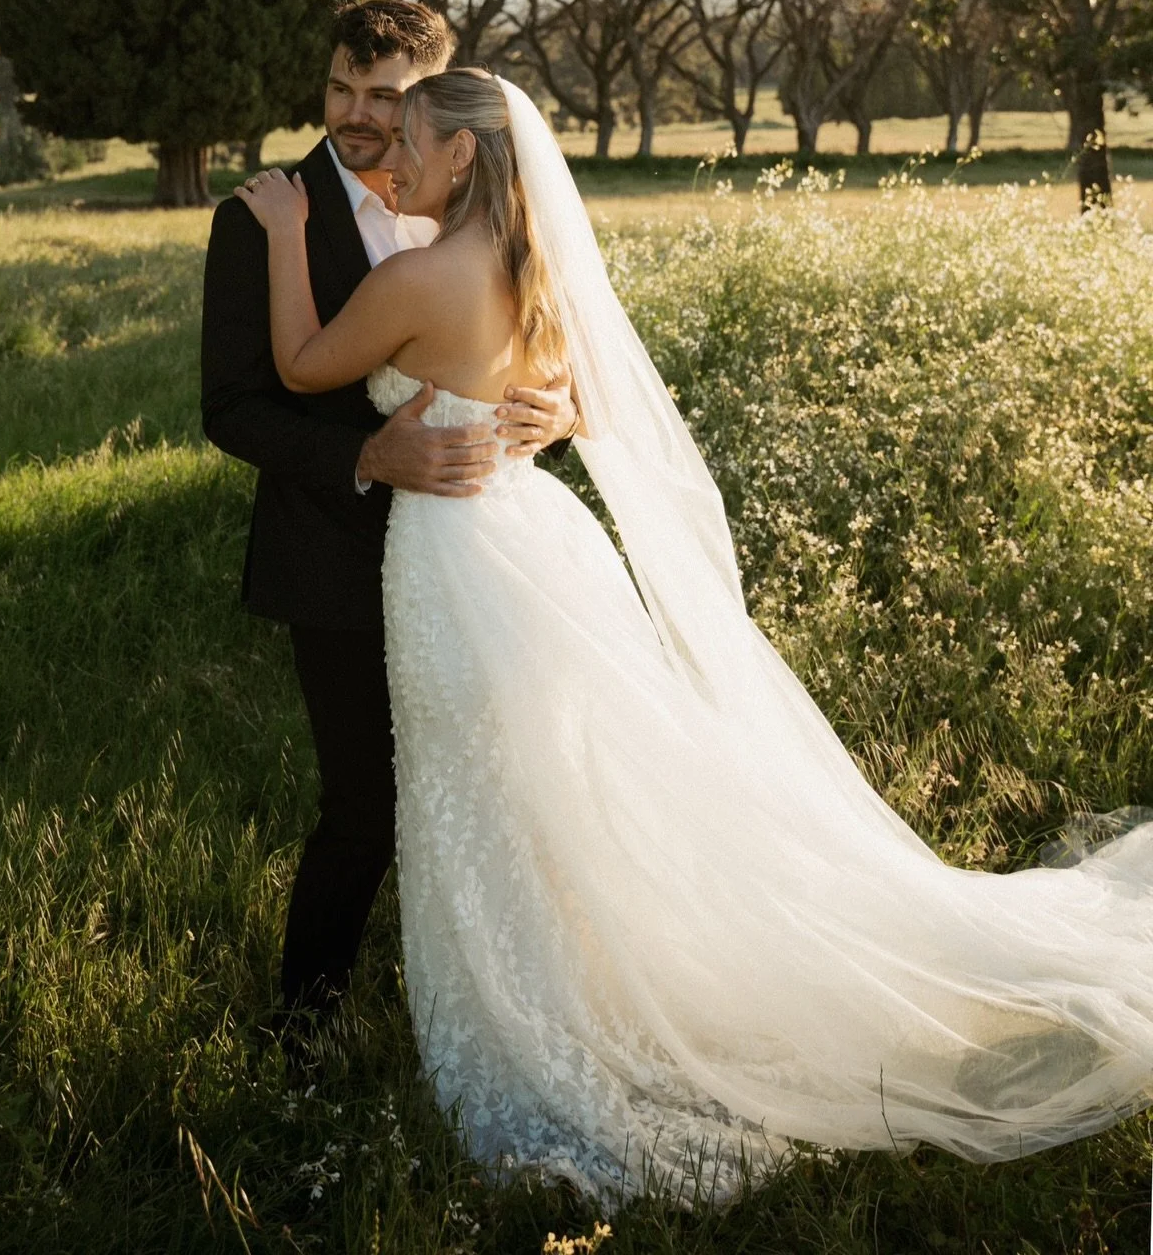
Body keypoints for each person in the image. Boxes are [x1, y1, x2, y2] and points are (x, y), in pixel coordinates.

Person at [234, 64, 1153, 1208]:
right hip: (536, 538)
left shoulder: (423, 275)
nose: (396, 159)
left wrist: (282, 231)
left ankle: (548, 1018)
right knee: (546, 787)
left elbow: (301, 365)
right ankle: (594, 978)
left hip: (460, 561)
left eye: (413, 141)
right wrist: (547, 407)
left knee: (480, 792)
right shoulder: (532, 267)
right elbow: (567, 377)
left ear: (463, 156)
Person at [200, 2, 575, 1024]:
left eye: (385, 97)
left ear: (441, 106)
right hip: (333, 553)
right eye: (339, 89)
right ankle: (306, 1018)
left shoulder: (492, 219)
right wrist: (368, 451)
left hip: (474, 554)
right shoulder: (258, 217)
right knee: (363, 807)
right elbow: (233, 406)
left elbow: (559, 366)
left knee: (495, 783)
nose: (357, 116)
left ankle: (484, 995)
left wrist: (555, 413)